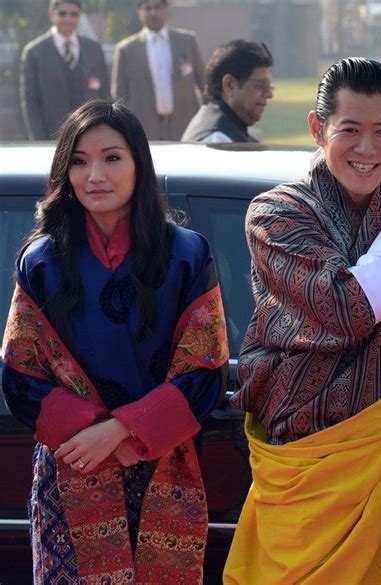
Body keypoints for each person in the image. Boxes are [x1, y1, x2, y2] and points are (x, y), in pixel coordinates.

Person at [223, 58, 381, 584]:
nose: (366, 149)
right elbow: (343, 310)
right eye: (349, 130)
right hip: (313, 476)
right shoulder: (277, 214)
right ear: (318, 129)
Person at [1, 99, 228, 583]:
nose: (94, 175)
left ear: (138, 164)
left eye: (111, 157)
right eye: (79, 162)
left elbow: (205, 370)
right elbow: (19, 377)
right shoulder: (41, 261)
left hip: (162, 463)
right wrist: (98, 435)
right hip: (73, 464)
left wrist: (123, 432)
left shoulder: (186, 254)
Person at [112, 0, 205, 141]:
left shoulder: (186, 41)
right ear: (139, 13)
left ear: (165, 9)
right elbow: (118, 96)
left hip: (186, 126)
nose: (153, 12)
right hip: (144, 129)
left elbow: (205, 84)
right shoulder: (126, 50)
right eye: (147, 8)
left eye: (157, 7)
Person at [20, 0, 109, 140]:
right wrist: (39, 140)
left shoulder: (94, 49)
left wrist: (104, 129)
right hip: (52, 135)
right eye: (62, 14)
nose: (68, 18)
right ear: (51, 15)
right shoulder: (34, 52)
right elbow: (31, 101)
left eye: (74, 14)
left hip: (90, 132)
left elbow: (104, 93)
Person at [181, 39, 274, 143]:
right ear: (229, 85)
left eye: (270, 87)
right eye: (260, 85)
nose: (269, 94)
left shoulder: (226, 131)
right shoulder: (218, 141)